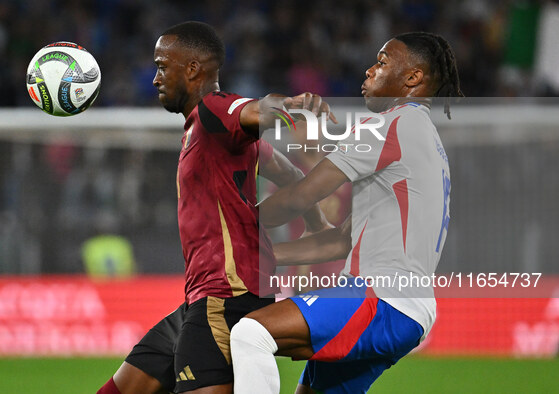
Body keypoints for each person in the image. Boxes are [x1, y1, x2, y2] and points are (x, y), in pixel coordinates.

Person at [97, 21, 332, 394]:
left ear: (192, 69)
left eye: (162, 66)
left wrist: (284, 107)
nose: (155, 78)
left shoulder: (214, 110)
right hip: (202, 299)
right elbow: (284, 169)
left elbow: (254, 109)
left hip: (226, 298)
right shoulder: (204, 129)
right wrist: (317, 221)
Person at [230, 32, 463, 394]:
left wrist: (234, 224)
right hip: (407, 308)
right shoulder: (425, 138)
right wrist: (265, 254)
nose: (369, 70)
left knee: (250, 333)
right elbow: (341, 240)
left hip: (381, 298)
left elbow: (302, 195)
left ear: (413, 78)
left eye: (383, 62)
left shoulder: (391, 124)